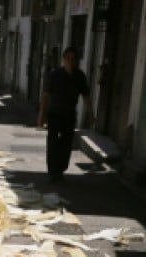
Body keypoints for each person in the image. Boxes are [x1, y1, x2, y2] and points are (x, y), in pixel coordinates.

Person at [37, 47, 94, 183]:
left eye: (73, 59)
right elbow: (45, 96)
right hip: (54, 114)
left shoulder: (79, 76)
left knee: (66, 144)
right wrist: (41, 114)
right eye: (67, 58)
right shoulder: (55, 75)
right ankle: (53, 172)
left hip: (69, 115)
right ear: (63, 59)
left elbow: (86, 97)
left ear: (76, 61)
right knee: (52, 143)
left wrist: (91, 115)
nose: (70, 61)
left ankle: (61, 169)